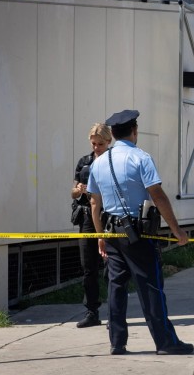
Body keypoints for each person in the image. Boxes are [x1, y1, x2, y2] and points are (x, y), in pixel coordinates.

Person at [87, 109, 194, 356]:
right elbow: (157, 194)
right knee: (150, 287)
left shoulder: (99, 162)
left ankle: (117, 342)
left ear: (112, 134)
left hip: (112, 234)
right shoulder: (141, 158)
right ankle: (165, 342)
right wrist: (177, 230)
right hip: (137, 234)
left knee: (116, 288)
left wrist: (100, 235)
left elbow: (95, 203)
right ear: (135, 132)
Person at [71, 123, 112, 328]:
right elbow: (72, 191)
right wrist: (78, 190)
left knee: (111, 268)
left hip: (109, 217)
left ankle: (114, 311)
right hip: (87, 217)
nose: (96, 148)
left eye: (101, 144)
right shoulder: (84, 162)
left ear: (109, 142)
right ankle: (91, 311)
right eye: (94, 144)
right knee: (88, 267)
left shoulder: (114, 161)